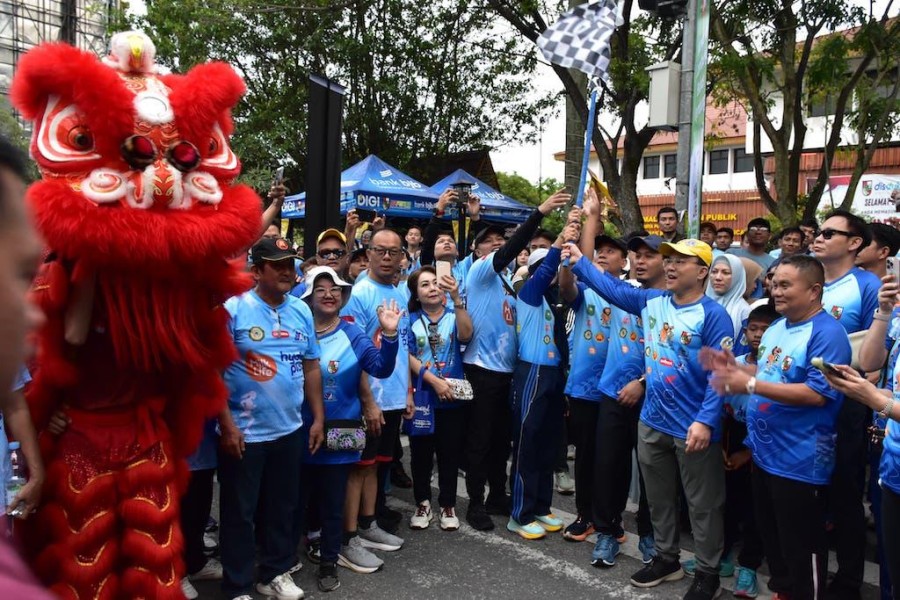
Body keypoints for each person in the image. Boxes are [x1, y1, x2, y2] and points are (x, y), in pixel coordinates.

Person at [564, 238, 733, 600]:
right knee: (658, 500)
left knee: (703, 505)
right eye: (668, 259)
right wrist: (580, 261)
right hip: (652, 422)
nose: (670, 266)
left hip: (692, 429)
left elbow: (721, 376)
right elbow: (609, 286)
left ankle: (707, 572)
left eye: (681, 262)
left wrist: (705, 421)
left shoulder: (713, 315)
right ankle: (666, 558)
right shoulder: (652, 301)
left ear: (702, 271)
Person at [707, 255, 852, 600]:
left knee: (803, 546)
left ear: (814, 290)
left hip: (800, 462)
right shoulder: (776, 328)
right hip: (764, 454)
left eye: (786, 285)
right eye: (775, 283)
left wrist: (751, 386)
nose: (776, 291)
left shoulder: (828, 333)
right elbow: (769, 375)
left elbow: (818, 394)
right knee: (775, 539)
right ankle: (784, 590)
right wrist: (737, 374)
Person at [219, 237, 324, 600]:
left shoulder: (301, 310)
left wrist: (318, 418)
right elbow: (212, 372)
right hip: (244, 432)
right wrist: (227, 425)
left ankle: (275, 572)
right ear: (256, 270)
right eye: (277, 264)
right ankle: (236, 586)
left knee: (282, 507)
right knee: (240, 513)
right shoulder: (232, 309)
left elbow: (311, 366)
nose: (286, 271)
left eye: (290, 263)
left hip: (289, 429)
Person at [462, 190, 570, 531]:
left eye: (499, 239)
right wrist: (539, 213)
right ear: (476, 250)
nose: (496, 244)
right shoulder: (481, 272)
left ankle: (497, 495)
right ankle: (475, 503)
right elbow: (510, 248)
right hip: (481, 369)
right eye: (488, 241)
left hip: (509, 371)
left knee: (500, 441)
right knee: (479, 440)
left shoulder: (510, 281)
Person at [299, 266, 400, 592]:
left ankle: (330, 561)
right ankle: (284, 561)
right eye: (320, 289)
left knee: (333, 502)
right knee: (293, 500)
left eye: (335, 289)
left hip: (342, 431)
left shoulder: (352, 332)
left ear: (343, 296)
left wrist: (389, 335)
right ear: (309, 296)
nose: (328, 295)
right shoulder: (297, 327)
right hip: (296, 431)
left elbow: (381, 367)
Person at [812, 209, 880, 600]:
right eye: (818, 233)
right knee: (808, 492)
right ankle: (807, 571)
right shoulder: (806, 278)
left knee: (844, 491)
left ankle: (849, 579)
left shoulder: (868, 285)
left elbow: (879, 348)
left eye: (829, 233)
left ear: (854, 243)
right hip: (801, 401)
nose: (818, 238)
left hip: (848, 405)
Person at [584, 234, 664, 567]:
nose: (641, 260)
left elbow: (673, 357)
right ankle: (606, 532)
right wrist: (586, 222)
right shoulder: (624, 291)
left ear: (666, 261)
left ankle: (650, 535)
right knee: (608, 466)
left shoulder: (671, 302)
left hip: (654, 399)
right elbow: (587, 270)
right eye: (636, 255)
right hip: (612, 394)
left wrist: (642, 384)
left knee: (653, 473)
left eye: (650, 255)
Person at [687, 304, 777, 598]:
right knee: (725, 501)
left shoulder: (774, 372)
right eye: (753, 329)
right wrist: (723, 447)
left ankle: (749, 566)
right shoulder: (734, 362)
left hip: (761, 442)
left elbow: (775, 422)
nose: (758, 335)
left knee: (755, 509)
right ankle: (721, 556)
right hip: (729, 437)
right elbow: (715, 403)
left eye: (766, 330)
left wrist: (745, 454)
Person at [506, 221, 580, 540]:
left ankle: (541, 507)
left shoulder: (553, 301)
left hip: (552, 375)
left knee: (548, 446)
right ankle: (519, 514)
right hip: (531, 373)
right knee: (527, 444)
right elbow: (549, 264)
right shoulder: (530, 294)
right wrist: (559, 242)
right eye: (545, 269)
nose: (551, 273)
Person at [559, 194, 626, 544]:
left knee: (613, 458)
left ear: (625, 260)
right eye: (598, 249)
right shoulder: (584, 290)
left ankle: (612, 520)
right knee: (585, 456)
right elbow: (566, 283)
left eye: (611, 250)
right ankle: (584, 515)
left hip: (618, 389)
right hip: (583, 387)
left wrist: (595, 217)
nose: (602, 253)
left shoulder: (631, 294)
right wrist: (584, 228)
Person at [341, 228, 412, 549]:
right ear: (367, 253)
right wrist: (367, 401)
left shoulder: (400, 293)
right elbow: (350, 353)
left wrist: (408, 392)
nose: (387, 257)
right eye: (380, 251)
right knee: (359, 467)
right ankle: (349, 534)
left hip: (394, 398)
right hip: (369, 400)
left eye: (393, 252)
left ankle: (369, 522)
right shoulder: (359, 294)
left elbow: (404, 346)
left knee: (379, 463)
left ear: (402, 257)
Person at [821, 352, 900, 600]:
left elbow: (885, 402)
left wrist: (876, 400)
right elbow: (892, 394)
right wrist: (863, 387)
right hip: (893, 470)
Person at [406, 267, 472, 532]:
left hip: (452, 398)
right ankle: (422, 503)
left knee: (450, 454)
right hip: (423, 397)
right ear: (416, 294)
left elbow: (467, 335)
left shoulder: (454, 316)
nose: (432, 288)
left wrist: (457, 298)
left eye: (435, 283)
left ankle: (447, 504)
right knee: (420, 455)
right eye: (424, 285)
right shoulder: (409, 319)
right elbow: (407, 356)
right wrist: (433, 381)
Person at [706, 254, 750, 339]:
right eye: (714, 271)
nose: (718, 277)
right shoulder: (701, 305)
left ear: (737, 277)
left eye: (726, 273)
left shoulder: (744, 311)